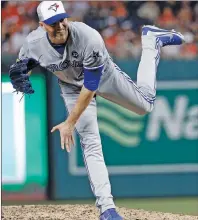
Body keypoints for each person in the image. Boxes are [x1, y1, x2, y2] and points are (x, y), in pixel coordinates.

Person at [9, 1, 185, 220]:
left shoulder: (88, 37)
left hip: (103, 78)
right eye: (54, 23)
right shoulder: (33, 43)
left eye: (62, 19)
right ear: (43, 25)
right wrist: (20, 72)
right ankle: (107, 208)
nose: (61, 25)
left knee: (145, 105)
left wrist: (70, 122)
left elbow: (90, 86)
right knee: (90, 141)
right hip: (71, 86)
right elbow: (21, 65)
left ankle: (151, 41)